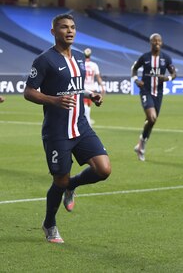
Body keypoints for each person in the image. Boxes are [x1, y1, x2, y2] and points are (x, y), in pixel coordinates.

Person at [24, 13, 111, 243]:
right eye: (64, 27)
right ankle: (49, 224)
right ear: (54, 32)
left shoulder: (81, 58)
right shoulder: (44, 60)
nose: (70, 31)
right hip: (57, 131)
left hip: (80, 126)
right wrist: (53, 100)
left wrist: (90, 94)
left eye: (72, 27)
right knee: (59, 181)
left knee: (103, 170)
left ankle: (72, 186)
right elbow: (28, 91)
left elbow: (74, 87)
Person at [131, 33, 177, 162]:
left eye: (159, 41)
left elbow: (174, 73)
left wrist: (167, 78)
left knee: (151, 121)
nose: (157, 43)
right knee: (152, 117)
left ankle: (141, 145)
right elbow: (134, 69)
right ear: (151, 43)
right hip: (146, 90)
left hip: (159, 93)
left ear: (161, 43)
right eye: (154, 41)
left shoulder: (166, 58)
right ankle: (142, 146)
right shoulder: (145, 57)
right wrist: (136, 80)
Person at [82, 47, 105, 126]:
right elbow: (98, 77)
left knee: (85, 107)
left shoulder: (81, 64)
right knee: (87, 106)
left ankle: (87, 121)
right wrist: (102, 86)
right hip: (91, 88)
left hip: (84, 87)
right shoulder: (94, 65)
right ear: (90, 55)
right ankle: (88, 122)